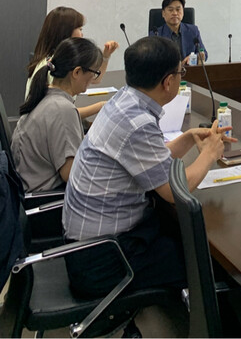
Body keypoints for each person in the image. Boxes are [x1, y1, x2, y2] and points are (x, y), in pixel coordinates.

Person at [62, 36, 232, 298]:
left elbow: (148, 162)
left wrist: (188, 138)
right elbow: (174, 192)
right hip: (103, 259)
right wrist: (209, 155)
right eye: (180, 72)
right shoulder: (137, 122)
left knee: (179, 237)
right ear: (168, 82)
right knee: (208, 263)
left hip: (88, 246)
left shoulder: (124, 100)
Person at [12, 38, 103, 193]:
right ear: (77, 72)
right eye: (94, 73)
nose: (93, 79)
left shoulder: (46, 94)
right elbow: (71, 175)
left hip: (28, 185)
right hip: (47, 197)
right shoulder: (63, 109)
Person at [26, 6, 119, 118]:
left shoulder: (59, 60)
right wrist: (102, 105)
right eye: (80, 29)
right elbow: (62, 113)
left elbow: (95, 79)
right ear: (65, 32)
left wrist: (106, 56)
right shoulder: (53, 67)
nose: (82, 34)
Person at [151, 0, 208, 64]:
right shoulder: (156, 34)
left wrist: (193, 57)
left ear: (183, 12)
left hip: (189, 69)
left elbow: (204, 54)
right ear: (163, 13)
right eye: (170, 10)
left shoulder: (193, 30)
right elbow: (152, 59)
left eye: (178, 10)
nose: (175, 13)